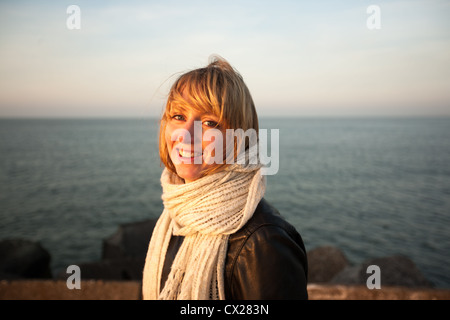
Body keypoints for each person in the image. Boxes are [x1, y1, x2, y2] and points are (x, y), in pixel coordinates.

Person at [142, 56, 308, 300]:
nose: (186, 135)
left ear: (239, 138)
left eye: (210, 122)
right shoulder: (175, 218)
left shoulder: (262, 243)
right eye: (178, 116)